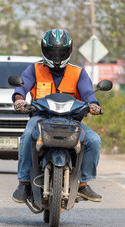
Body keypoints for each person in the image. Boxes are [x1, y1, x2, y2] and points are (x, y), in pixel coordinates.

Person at [12, 29, 103, 203]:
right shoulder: (35, 69)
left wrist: (94, 105)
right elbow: (21, 89)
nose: (56, 55)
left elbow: (88, 94)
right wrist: (19, 100)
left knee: (93, 140)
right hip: (41, 118)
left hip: (71, 120)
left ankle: (83, 183)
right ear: (44, 50)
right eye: (52, 51)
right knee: (27, 136)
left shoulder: (78, 72)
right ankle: (23, 182)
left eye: (60, 52)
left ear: (68, 51)